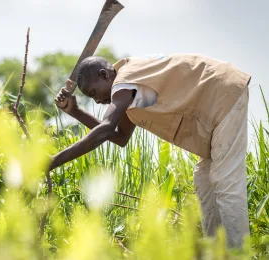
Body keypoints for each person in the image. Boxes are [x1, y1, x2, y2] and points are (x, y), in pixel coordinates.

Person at [48, 54, 251, 248]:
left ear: (104, 75)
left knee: (226, 180)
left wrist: (53, 161)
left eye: (93, 93)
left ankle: (239, 254)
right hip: (214, 107)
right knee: (205, 179)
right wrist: (74, 111)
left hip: (223, 93)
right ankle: (218, 253)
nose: (97, 101)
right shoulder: (126, 93)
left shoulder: (124, 82)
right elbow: (119, 137)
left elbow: (106, 129)